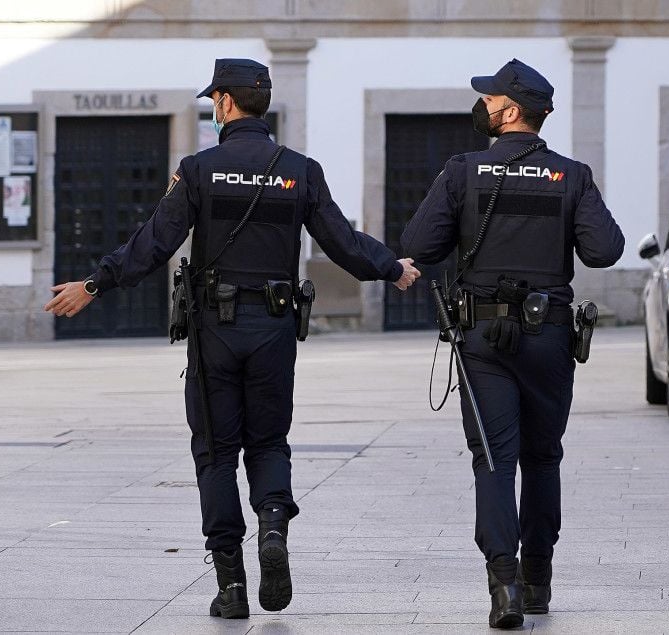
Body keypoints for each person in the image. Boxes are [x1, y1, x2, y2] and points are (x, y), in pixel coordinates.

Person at [43, 58, 420, 619]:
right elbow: (341, 242)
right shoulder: (300, 170)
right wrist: (392, 267)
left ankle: (232, 586)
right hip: (273, 328)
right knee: (269, 442)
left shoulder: (198, 170)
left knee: (217, 453)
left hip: (215, 331)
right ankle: (272, 527)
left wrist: (93, 283)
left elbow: (153, 242)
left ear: (223, 102)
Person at [401, 59, 624, 629]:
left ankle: (504, 587)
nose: (483, 105)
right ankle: (539, 581)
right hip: (548, 333)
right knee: (543, 457)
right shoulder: (570, 175)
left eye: (490, 98)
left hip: (481, 335)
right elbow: (604, 250)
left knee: (494, 460)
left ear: (510, 109)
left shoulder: (462, 169)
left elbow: (420, 244)